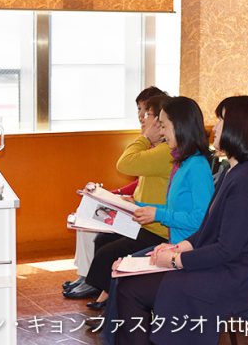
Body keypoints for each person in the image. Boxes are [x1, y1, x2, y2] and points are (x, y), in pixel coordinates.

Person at [115, 96, 248, 345]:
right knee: (131, 283)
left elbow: (227, 249)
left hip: (232, 279)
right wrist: (179, 247)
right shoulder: (235, 171)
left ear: (239, 128)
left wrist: (177, 260)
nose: (216, 127)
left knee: (132, 290)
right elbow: (208, 230)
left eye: (221, 120)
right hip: (222, 268)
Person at [83, 96, 214, 309]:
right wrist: (139, 208)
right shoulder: (183, 162)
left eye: (163, 126)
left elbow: (201, 220)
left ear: (180, 126)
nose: (161, 132)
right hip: (173, 246)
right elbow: (173, 210)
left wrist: (157, 215)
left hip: (185, 253)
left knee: (125, 282)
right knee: (120, 269)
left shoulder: (197, 166)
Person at [63, 87, 170, 300]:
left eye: (146, 114)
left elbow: (125, 163)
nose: (142, 118)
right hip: (144, 219)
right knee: (99, 235)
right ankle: (98, 286)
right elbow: (144, 185)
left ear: (160, 122)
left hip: (156, 226)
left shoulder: (163, 151)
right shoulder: (158, 150)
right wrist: (124, 198)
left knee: (104, 246)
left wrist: (145, 138)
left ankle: (101, 290)